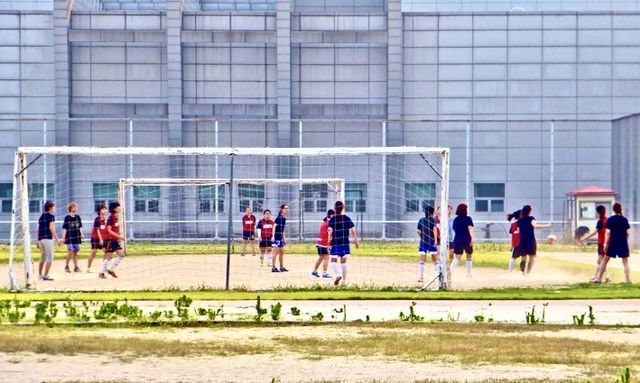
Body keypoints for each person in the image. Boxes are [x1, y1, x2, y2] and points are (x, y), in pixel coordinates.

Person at [596, 202, 632, 284]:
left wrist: (605, 244)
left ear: (613, 210)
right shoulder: (624, 219)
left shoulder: (610, 219)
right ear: (620, 209)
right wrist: (625, 241)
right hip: (622, 243)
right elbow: (628, 233)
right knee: (625, 262)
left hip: (613, 242)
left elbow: (608, 233)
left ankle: (599, 279)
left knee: (605, 260)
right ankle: (628, 279)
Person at [328, 201, 360, 286]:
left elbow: (330, 231)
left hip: (335, 243)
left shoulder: (332, 219)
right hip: (345, 243)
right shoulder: (347, 218)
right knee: (344, 262)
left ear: (335, 209)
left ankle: (338, 275)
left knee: (333, 261)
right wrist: (356, 241)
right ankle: (344, 282)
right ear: (343, 208)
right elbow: (353, 230)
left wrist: (328, 242)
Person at [517, 205, 551, 274]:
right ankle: (528, 272)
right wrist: (547, 225)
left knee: (523, 258)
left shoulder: (519, 221)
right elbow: (535, 226)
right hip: (530, 241)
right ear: (529, 211)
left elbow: (518, 231)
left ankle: (522, 272)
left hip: (522, 241)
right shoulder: (531, 219)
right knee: (531, 257)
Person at [580, 205, 611, 282]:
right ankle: (601, 276)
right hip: (607, 243)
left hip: (601, 243)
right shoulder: (607, 220)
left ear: (598, 212)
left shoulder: (600, 221)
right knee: (601, 261)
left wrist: (584, 238)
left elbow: (594, 232)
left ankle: (600, 277)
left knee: (600, 261)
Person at [37, 201, 62, 281]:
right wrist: (57, 239)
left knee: (43, 257)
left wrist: (38, 240)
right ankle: (45, 275)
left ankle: (40, 275)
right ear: (50, 208)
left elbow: (37, 229)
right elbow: (51, 228)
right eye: (54, 207)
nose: (55, 208)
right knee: (49, 258)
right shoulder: (51, 216)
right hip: (47, 238)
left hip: (41, 239)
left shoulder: (42, 216)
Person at [100, 202, 125, 279]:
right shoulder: (111, 218)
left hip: (114, 240)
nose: (120, 208)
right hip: (109, 240)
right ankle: (101, 273)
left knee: (121, 254)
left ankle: (111, 270)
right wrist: (119, 236)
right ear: (115, 208)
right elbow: (109, 230)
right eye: (118, 206)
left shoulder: (115, 217)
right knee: (109, 257)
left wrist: (118, 236)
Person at [451, 202, 474, 278]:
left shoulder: (455, 220)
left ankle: (449, 272)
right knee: (469, 256)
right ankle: (469, 274)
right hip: (467, 239)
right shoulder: (468, 218)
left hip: (457, 239)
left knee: (457, 257)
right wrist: (472, 238)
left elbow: (454, 229)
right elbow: (470, 228)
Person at [416, 205, 439, 283]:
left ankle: (421, 277)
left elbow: (418, 231)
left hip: (423, 242)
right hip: (431, 241)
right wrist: (436, 240)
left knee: (422, 260)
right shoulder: (433, 220)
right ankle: (438, 275)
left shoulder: (421, 220)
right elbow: (434, 230)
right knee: (435, 259)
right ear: (432, 212)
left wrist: (421, 237)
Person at [312, 209, 335, 278]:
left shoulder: (324, 222)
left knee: (321, 257)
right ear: (331, 215)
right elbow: (329, 234)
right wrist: (328, 244)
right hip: (324, 243)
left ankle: (314, 271)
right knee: (326, 257)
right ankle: (325, 273)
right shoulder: (330, 223)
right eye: (334, 215)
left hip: (319, 243)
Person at [62, 202, 84, 273]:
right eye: (74, 207)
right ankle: (66, 266)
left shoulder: (78, 217)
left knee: (75, 252)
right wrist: (63, 237)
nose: (76, 208)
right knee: (70, 251)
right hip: (69, 237)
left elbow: (80, 226)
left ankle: (76, 267)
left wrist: (82, 234)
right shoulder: (67, 217)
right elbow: (64, 228)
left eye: (76, 207)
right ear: (71, 208)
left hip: (76, 237)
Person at [87, 204, 107, 273]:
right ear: (99, 211)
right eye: (103, 209)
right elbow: (98, 230)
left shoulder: (104, 219)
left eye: (105, 209)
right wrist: (101, 239)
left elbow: (104, 230)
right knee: (93, 252)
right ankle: (88, 268)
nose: (105, 210)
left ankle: (104, 268)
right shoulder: (97, 219)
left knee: (106, 251)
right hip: (95, 238)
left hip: (102, 238)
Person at [271, 204, 289, 272]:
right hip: (276, 237)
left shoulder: (284, 218)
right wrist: (273, 236)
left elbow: (282, 230)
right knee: (275, 252)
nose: (287, 210)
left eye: (287, 208)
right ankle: (273, 268)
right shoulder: (279, 218)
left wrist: (284, 239)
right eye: (286, 208)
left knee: (281, 252)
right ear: (282, 209)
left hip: (280, 238)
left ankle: (281, 267)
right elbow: (274, 226)